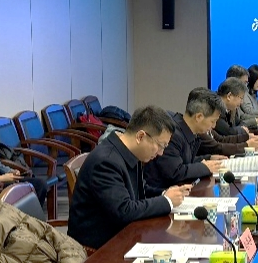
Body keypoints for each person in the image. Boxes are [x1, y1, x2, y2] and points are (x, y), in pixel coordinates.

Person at [68, 106, 190, 250]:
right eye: (160, 145)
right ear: (140, 137)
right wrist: (167, 201)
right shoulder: (106, 161)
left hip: (124, 234)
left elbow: (140, 189)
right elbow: (124, 211)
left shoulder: (128, 151)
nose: (161, 153)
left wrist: (165, 193)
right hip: (99, 248)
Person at [145, 90, 225, 187]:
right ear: (199, 117)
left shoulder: (186, 129)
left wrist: (208, 158)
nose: (214, 126)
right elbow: (175, 172)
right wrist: (205, 167)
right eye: (213, 121)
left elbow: (184, 159)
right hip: (161, 191)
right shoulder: (172, 134)